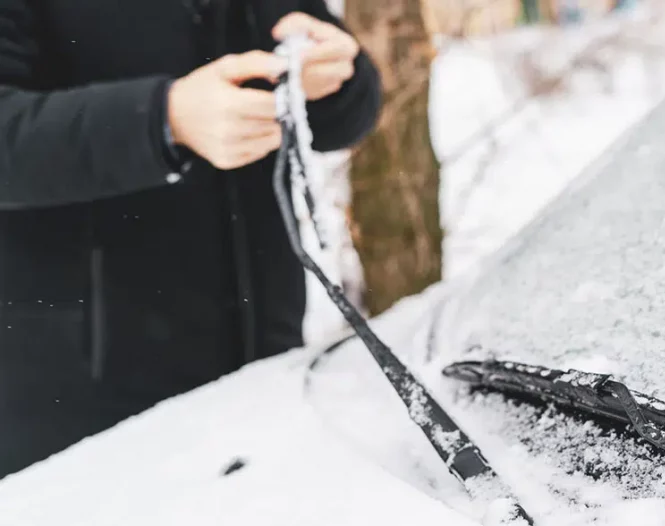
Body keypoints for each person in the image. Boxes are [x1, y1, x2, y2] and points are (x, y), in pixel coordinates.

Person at [0, 0, 382, 479]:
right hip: (80, 404)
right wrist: (164, 120)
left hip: (263, 365)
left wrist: (339, 79)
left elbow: (346, 112)